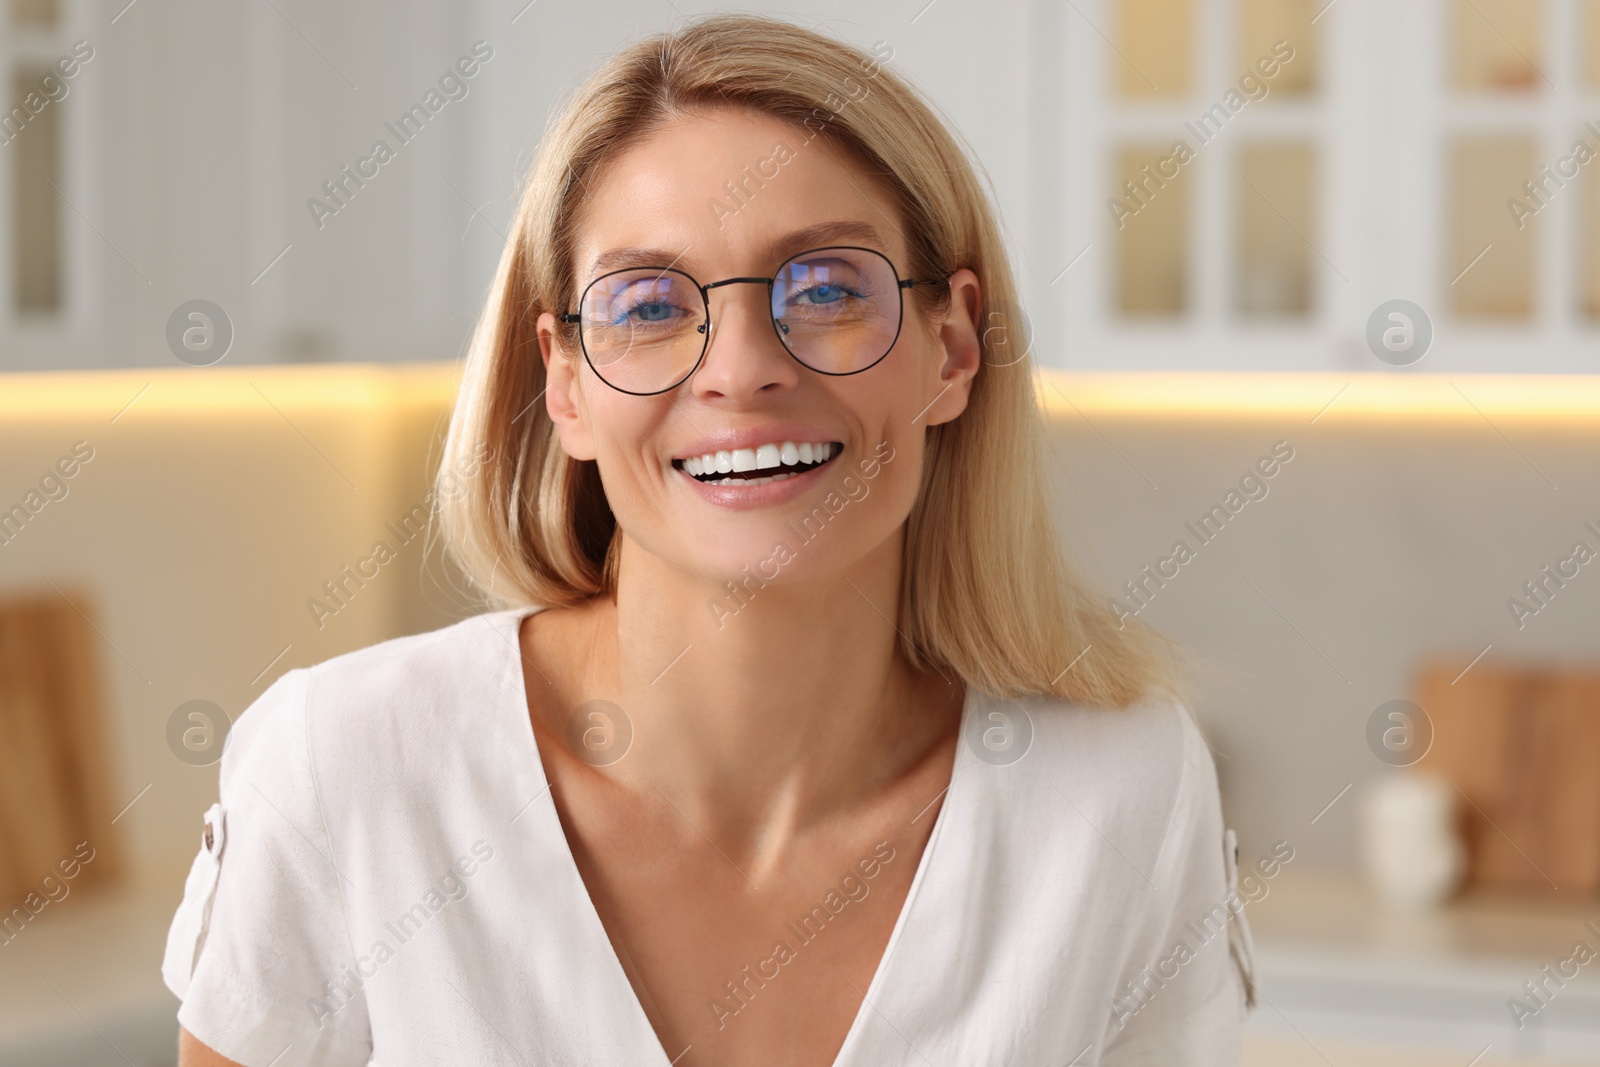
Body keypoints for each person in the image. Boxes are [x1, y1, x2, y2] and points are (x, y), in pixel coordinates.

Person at [164, 13, 1254, 1066]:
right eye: (646, 304)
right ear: (566, 383)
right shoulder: (344, 769)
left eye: (825, 287)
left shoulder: (1126, 797)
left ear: (954, 346)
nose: (739, 369)